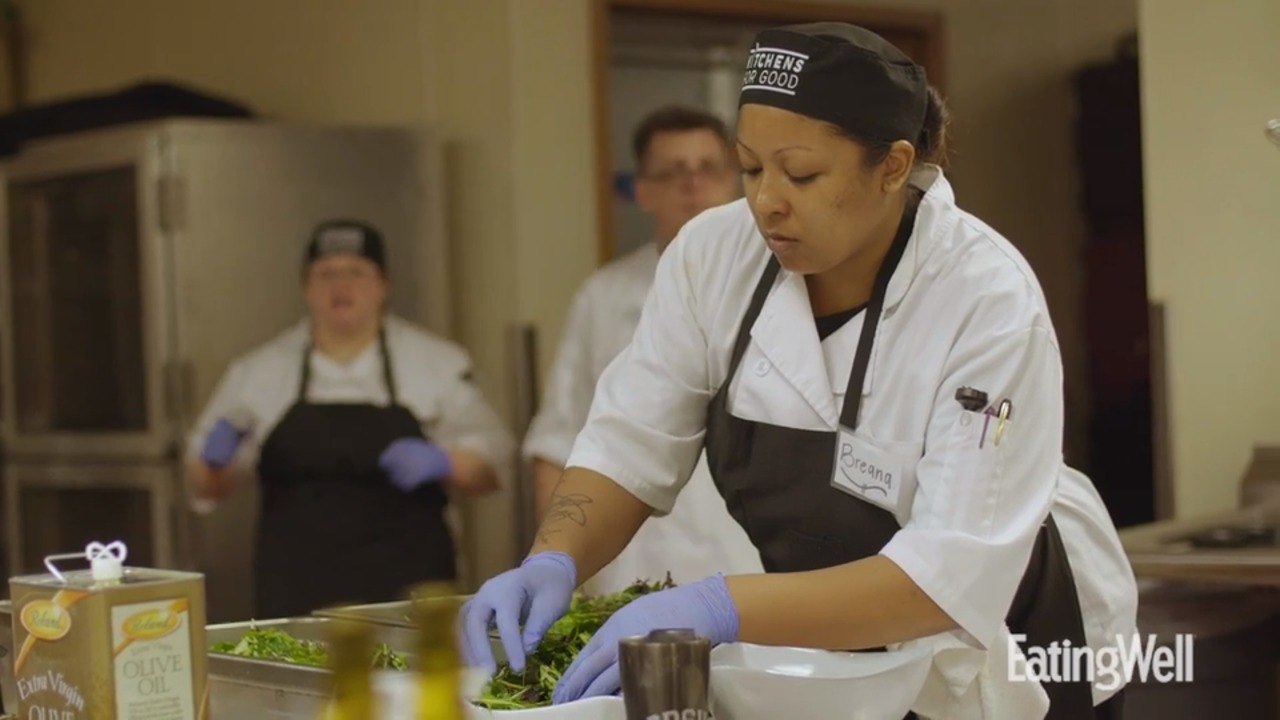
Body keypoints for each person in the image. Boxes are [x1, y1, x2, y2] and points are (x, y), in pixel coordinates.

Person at [463, 23, 1137, 720]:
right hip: (845, 648)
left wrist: (717, 605)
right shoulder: (712, 256)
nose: (766, 201)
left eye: (802, 174)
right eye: (751, 168)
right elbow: (630, 442)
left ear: (893, 166)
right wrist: (553, 559)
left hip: (1017, 638)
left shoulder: (984, 297)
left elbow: (946, 578)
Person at [187, 219, 514, 618]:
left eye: (356, 273)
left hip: (413, 595)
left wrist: (445, 462)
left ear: (383, 285)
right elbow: (207, 485)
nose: (340, 286)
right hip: (294, 593)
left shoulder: (438, 364)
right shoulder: (257, 373)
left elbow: (491, 471)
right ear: (306, 288)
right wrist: (213, 462)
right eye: (326, 274)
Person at [522, 106, 762, 595]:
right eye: (673, 172)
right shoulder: (605, 297)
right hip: (637, 564)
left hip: (749, 564)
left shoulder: (778, 283)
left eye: (708, 168)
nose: (693, 185)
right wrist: (554, 565)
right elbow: (558, 444)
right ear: (642, 191)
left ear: (735, 180)